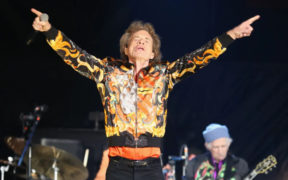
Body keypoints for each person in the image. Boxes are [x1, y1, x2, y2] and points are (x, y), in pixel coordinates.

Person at [30, 7, 259, 180]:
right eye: (136, 39)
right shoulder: (107, 72)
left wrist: (232, 35)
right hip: (118, 166)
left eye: (146, 40)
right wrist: (50, 31)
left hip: (151, 167)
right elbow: (76, 56)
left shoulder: (165, 74)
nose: (141, 41)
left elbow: (199, 58)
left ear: (152, 53)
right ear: (127, 49)